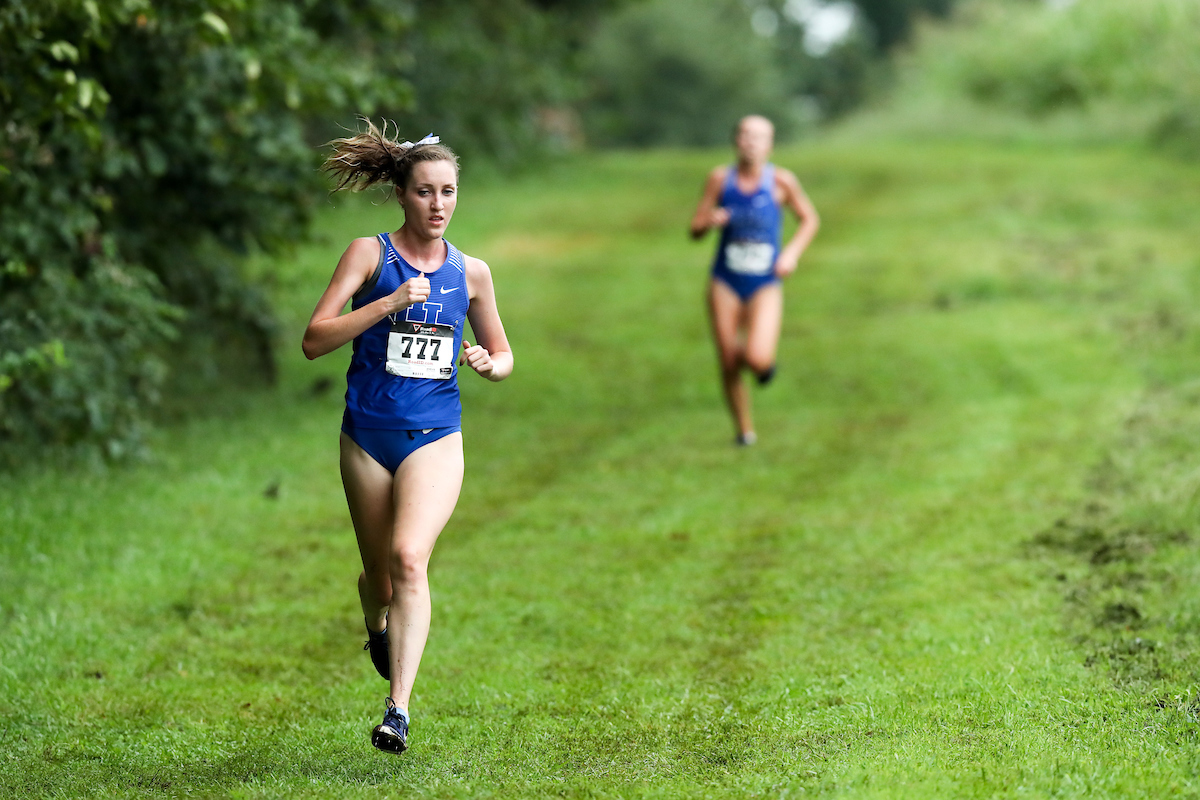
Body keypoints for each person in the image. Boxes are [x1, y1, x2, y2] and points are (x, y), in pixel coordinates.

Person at [302, 121, 513, 755]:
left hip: (435, 438)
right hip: (367, 438)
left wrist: (487, 364)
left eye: (448, 191)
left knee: (409, 559)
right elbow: (315, 339)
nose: (439, 204)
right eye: (425, 191)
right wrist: (386, 305)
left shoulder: (472, 272)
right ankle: (376, 625)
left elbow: (504, 354)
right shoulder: (368, 255)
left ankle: (397, 710)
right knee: (379, 577)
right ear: (402, 194)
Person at [689, 115, 819, 445]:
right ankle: (744, 432)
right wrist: (710, 220)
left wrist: (791, 254)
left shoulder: (781, 182)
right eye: (745, 135)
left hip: (764, 282)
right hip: (724, 279)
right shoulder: (720, 180)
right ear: (735, 141)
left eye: (759, 137)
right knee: (728, 357)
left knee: (757, 357)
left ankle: (763, 367)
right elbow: (694, 229)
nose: (751, 142)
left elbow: (809, 220)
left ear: (770, 145)